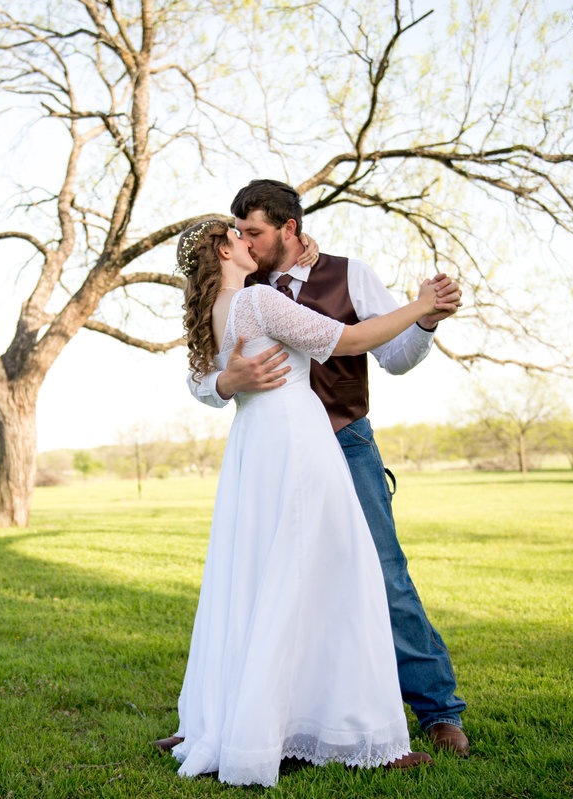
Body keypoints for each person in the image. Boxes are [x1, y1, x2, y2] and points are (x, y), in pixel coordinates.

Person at [166, 179, 470, 758]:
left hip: (342, 440)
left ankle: (438, 711)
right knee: (266, 577)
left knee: (380, 575)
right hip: (277, 449)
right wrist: (227, 383)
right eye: (239, 234)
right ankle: (265, 719)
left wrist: (424, 320)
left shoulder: (350, 274)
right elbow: (201, 378)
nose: (248, 242)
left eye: (254, 231)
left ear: (289, 229)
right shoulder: (245, 291)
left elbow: (394, 356)